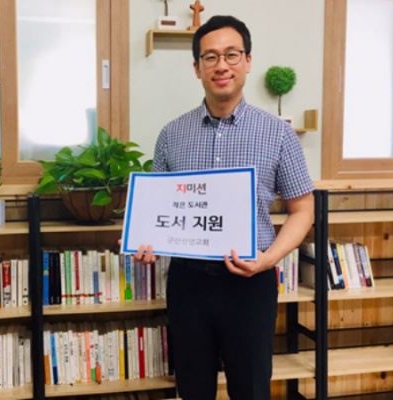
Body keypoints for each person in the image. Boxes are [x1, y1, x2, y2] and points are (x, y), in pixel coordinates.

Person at [134, 15, 315, 400]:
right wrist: (147, 241)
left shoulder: (278, 134)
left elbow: (303, 209)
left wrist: (268, 260)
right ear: (196, 67)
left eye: (232, 55)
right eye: (210, 57)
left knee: (250, 389)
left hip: (250, 284)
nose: (221, 65)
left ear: (247, 61)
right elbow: (156, 210)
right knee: (192, 388)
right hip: (188, 283)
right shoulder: (171, 134)